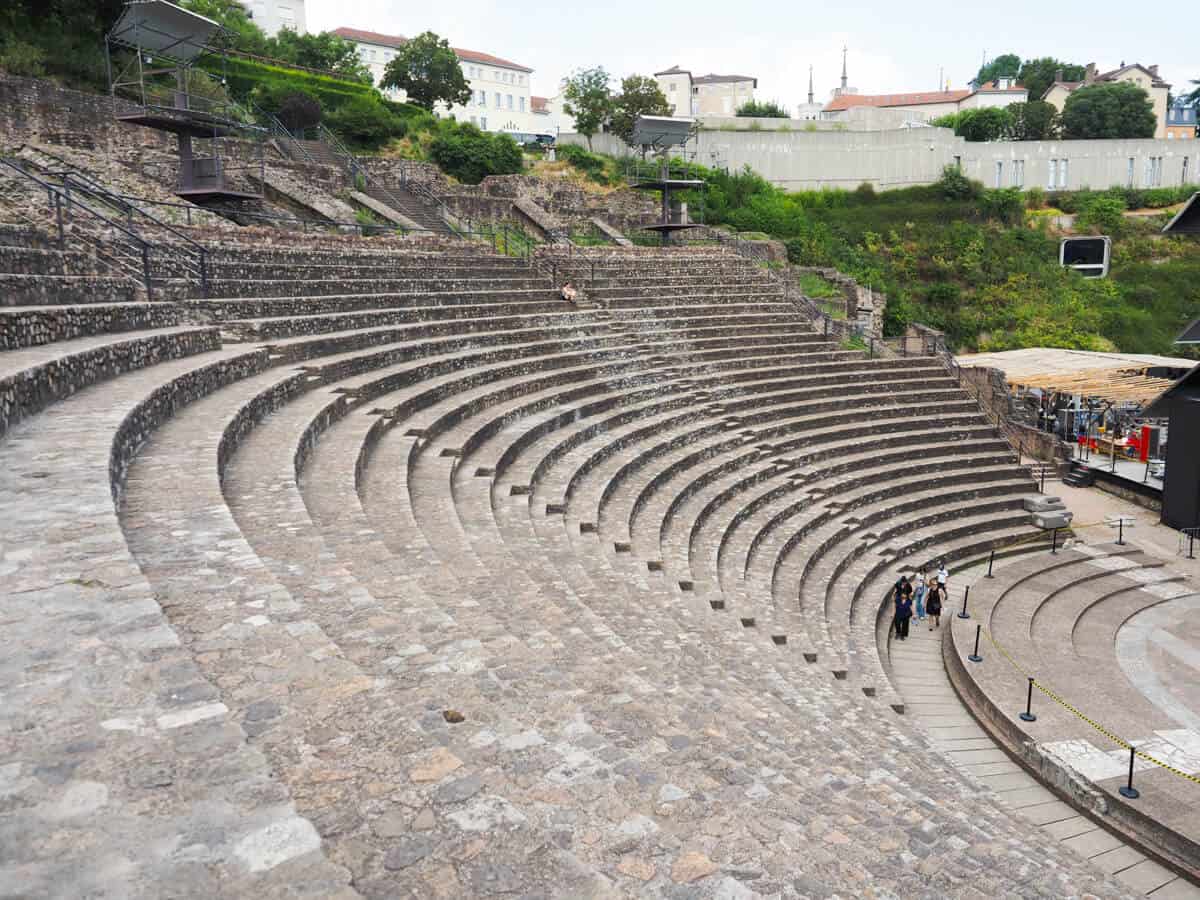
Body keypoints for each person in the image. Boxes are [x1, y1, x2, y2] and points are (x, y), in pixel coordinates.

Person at [892, 575, 912, 639]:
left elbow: (911, 592)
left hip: (906, 598)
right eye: (903, 582)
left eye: (905, 582)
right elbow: (895, 590)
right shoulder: (898, 583)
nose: (904, 583)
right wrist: (893, 595)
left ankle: (903, 635)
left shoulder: (908, 585)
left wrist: (909, 598)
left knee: (905, 622)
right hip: (899, 597)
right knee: (897, 621)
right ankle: (898, 632)